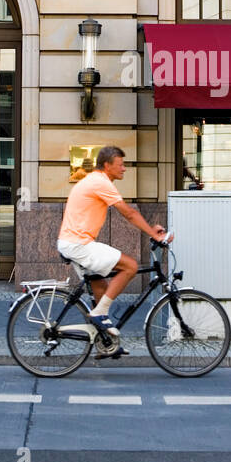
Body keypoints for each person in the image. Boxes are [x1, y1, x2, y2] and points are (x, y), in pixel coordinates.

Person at [57, 145, 171, 355]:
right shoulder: (101, 182)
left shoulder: (95, 180)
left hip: (73, 243)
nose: (125, 169)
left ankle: (105, 342)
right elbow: (128, 213)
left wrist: (150, 229)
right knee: (130, 266)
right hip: (78, 244)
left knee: (100, 285)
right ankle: (99, 314)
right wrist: (154, 235)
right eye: (121, 164)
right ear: (107, 165)